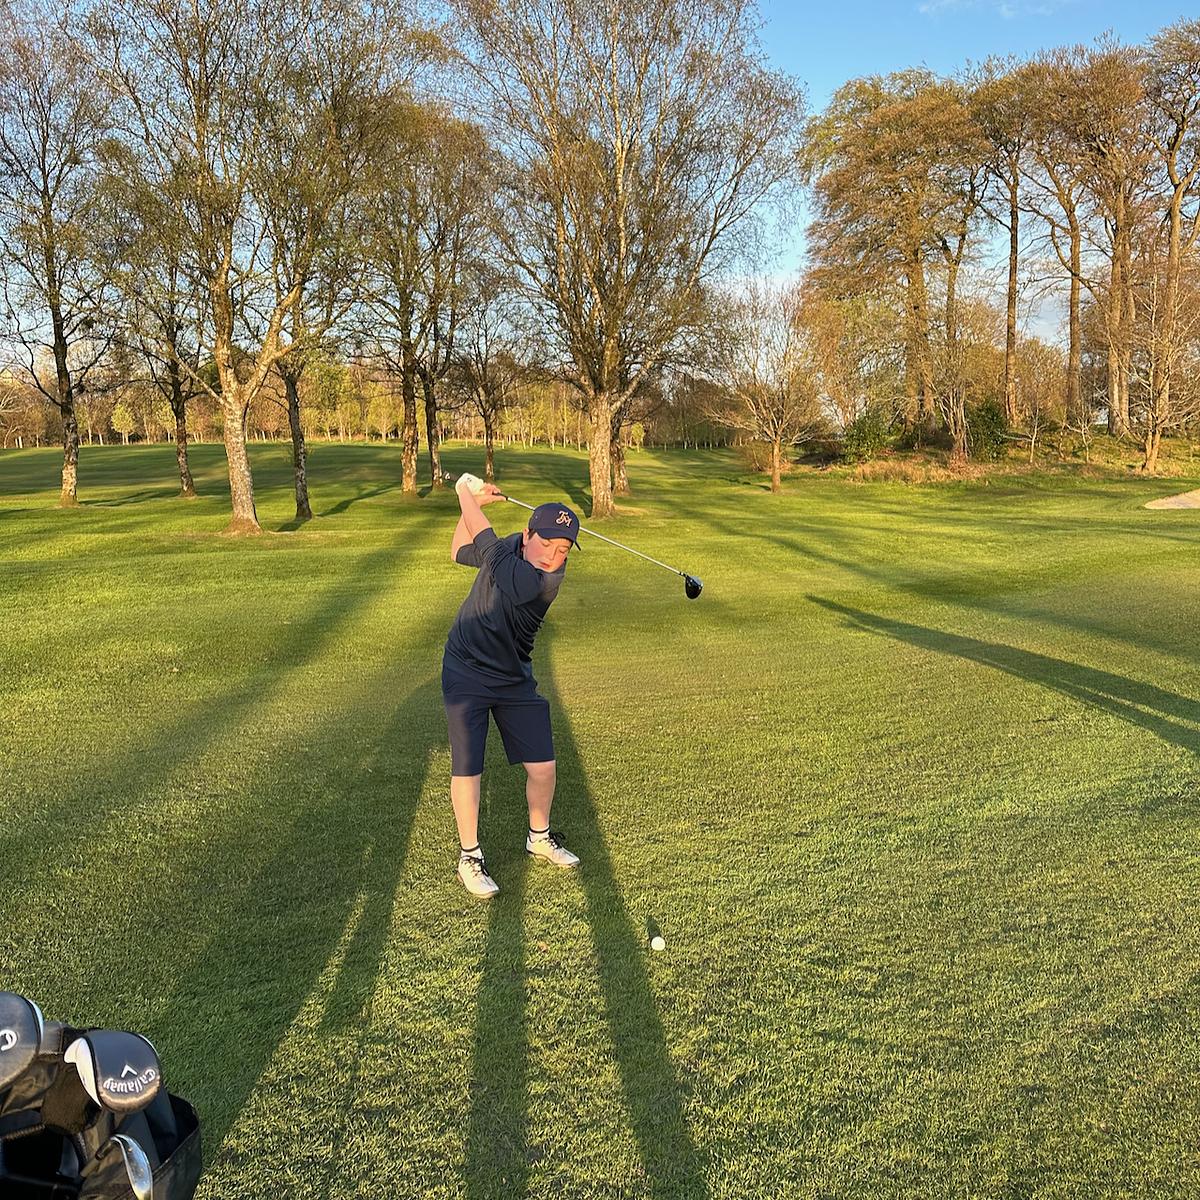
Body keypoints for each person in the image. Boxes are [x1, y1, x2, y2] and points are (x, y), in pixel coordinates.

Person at [443, 472, 582, 898]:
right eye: (546, 544)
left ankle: (538, 836)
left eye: (562, 550)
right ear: (527, 534)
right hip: (466, 667)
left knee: (543, 767)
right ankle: (470, 856)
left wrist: (465, 495)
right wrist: (474, 508)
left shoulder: (542, 583)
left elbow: (484, 540)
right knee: (468, 765)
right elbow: (458, 551)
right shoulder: (506, 548)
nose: (552, 555)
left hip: (513, 676)